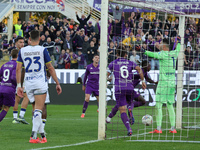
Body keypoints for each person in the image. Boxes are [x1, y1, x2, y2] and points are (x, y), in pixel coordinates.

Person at [16, 30, 62, 143]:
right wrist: (57, 83)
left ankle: (42, 136)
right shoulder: (43, 50)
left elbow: (19, 69)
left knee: (35, 110)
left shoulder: (22, 50)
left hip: (28, 83)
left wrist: (19, 85)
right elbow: (50, 68)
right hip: (40, 82)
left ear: (29, 39)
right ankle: (33, 136)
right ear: (40, 39)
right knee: (38, 110)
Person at [107, 46, 146, 136]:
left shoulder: (113, 63)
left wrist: (107, 80)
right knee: (130, 102)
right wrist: (143, 81)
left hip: (119, 88)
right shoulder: (130, 62)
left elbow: (107, 74)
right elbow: (139, 69)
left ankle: (129, 129)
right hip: (129, 87)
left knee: (122, 110)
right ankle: (129, 107)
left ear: (116, 54)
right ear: (125, 54)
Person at [144, 38, 181, 134]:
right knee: (170, 105)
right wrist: (179, 42)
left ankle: (158, 128)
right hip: (172, 83)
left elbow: (151, 54)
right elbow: (178, 49)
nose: (159, 45)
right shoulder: (174, 53)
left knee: (158, 104)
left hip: (163, 83)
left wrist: (143, 50)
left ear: (164, 47)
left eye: (161, 44)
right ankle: (173, 128)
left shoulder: (162, 54)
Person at [106, 60, 157, 125]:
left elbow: (148, 79)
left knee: (121, 104)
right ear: (145, 66)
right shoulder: (138, 72)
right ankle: (129, 107)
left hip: (130, 90)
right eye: (149, 65)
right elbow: (131, 74)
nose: (150, 67)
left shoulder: (144, 73)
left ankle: (109, 118)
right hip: (128, 88)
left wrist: (155, 82)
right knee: (140, 101)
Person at [12, 37, 30, 124]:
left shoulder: (19, 52)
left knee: (18, 97)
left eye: (23, 42)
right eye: (20, 42)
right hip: (20, 77)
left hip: (21, 76)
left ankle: (16, 118)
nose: (22, 44)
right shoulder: (19, 53)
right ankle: (20, 116)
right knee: (26, 96)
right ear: (16, 43)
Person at [0, 49, 19, 122]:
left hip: (1, 88)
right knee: (6, 108)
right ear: (18, 55)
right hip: (9, 89)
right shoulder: (17, 65)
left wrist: (3, 81)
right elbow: (14, 77)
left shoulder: (5, 64)